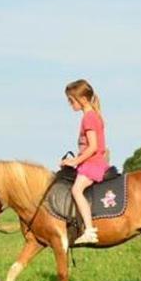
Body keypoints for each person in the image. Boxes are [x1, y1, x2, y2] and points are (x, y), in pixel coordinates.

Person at [59, 79, 110, 246]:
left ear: (81, 99)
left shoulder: (89, 118)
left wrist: (75, 161)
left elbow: (93, 147)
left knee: (76, 190)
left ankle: (89, 230)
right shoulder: (93, 115)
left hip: (93, 164)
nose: (70, 104)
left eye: (71, 100)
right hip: (91, 162)